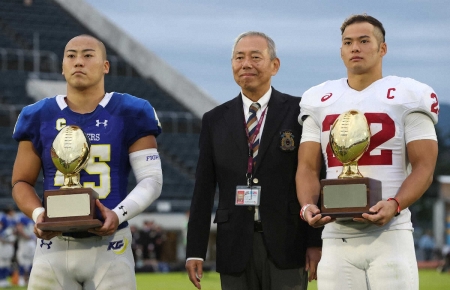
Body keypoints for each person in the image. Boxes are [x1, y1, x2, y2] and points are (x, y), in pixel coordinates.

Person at [296, 14, 439, 290]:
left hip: (390, 234)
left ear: (382, 48)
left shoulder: (409, 95)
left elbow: (425, 168)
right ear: (340, 50)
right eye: (348, 42)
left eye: (364, 41)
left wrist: (395, 204)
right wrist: (308, 206)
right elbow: (307, 168)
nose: (355, 48)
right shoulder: (319, 99)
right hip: (336, 235)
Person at [11, 34, 163, 289]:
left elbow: (152, 179)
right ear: (62, 66)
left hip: (111, 245)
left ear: (105, 66)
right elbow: (21, 181)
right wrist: (39, 215)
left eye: (88, 55)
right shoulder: (37, 115)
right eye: (71, 56)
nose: (78, 62)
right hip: (53, 246)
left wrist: (118, 214)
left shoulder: (131, 111)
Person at [186, 31, 322, 290]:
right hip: (234, 245)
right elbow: (203, 190)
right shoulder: (215, 119)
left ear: (275, 65)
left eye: (255, 57)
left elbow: (315, 174)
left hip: (288, 244)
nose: (245, 64)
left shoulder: (300, 112)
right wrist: (195, 250)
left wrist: (315, 241)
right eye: (239, 57)